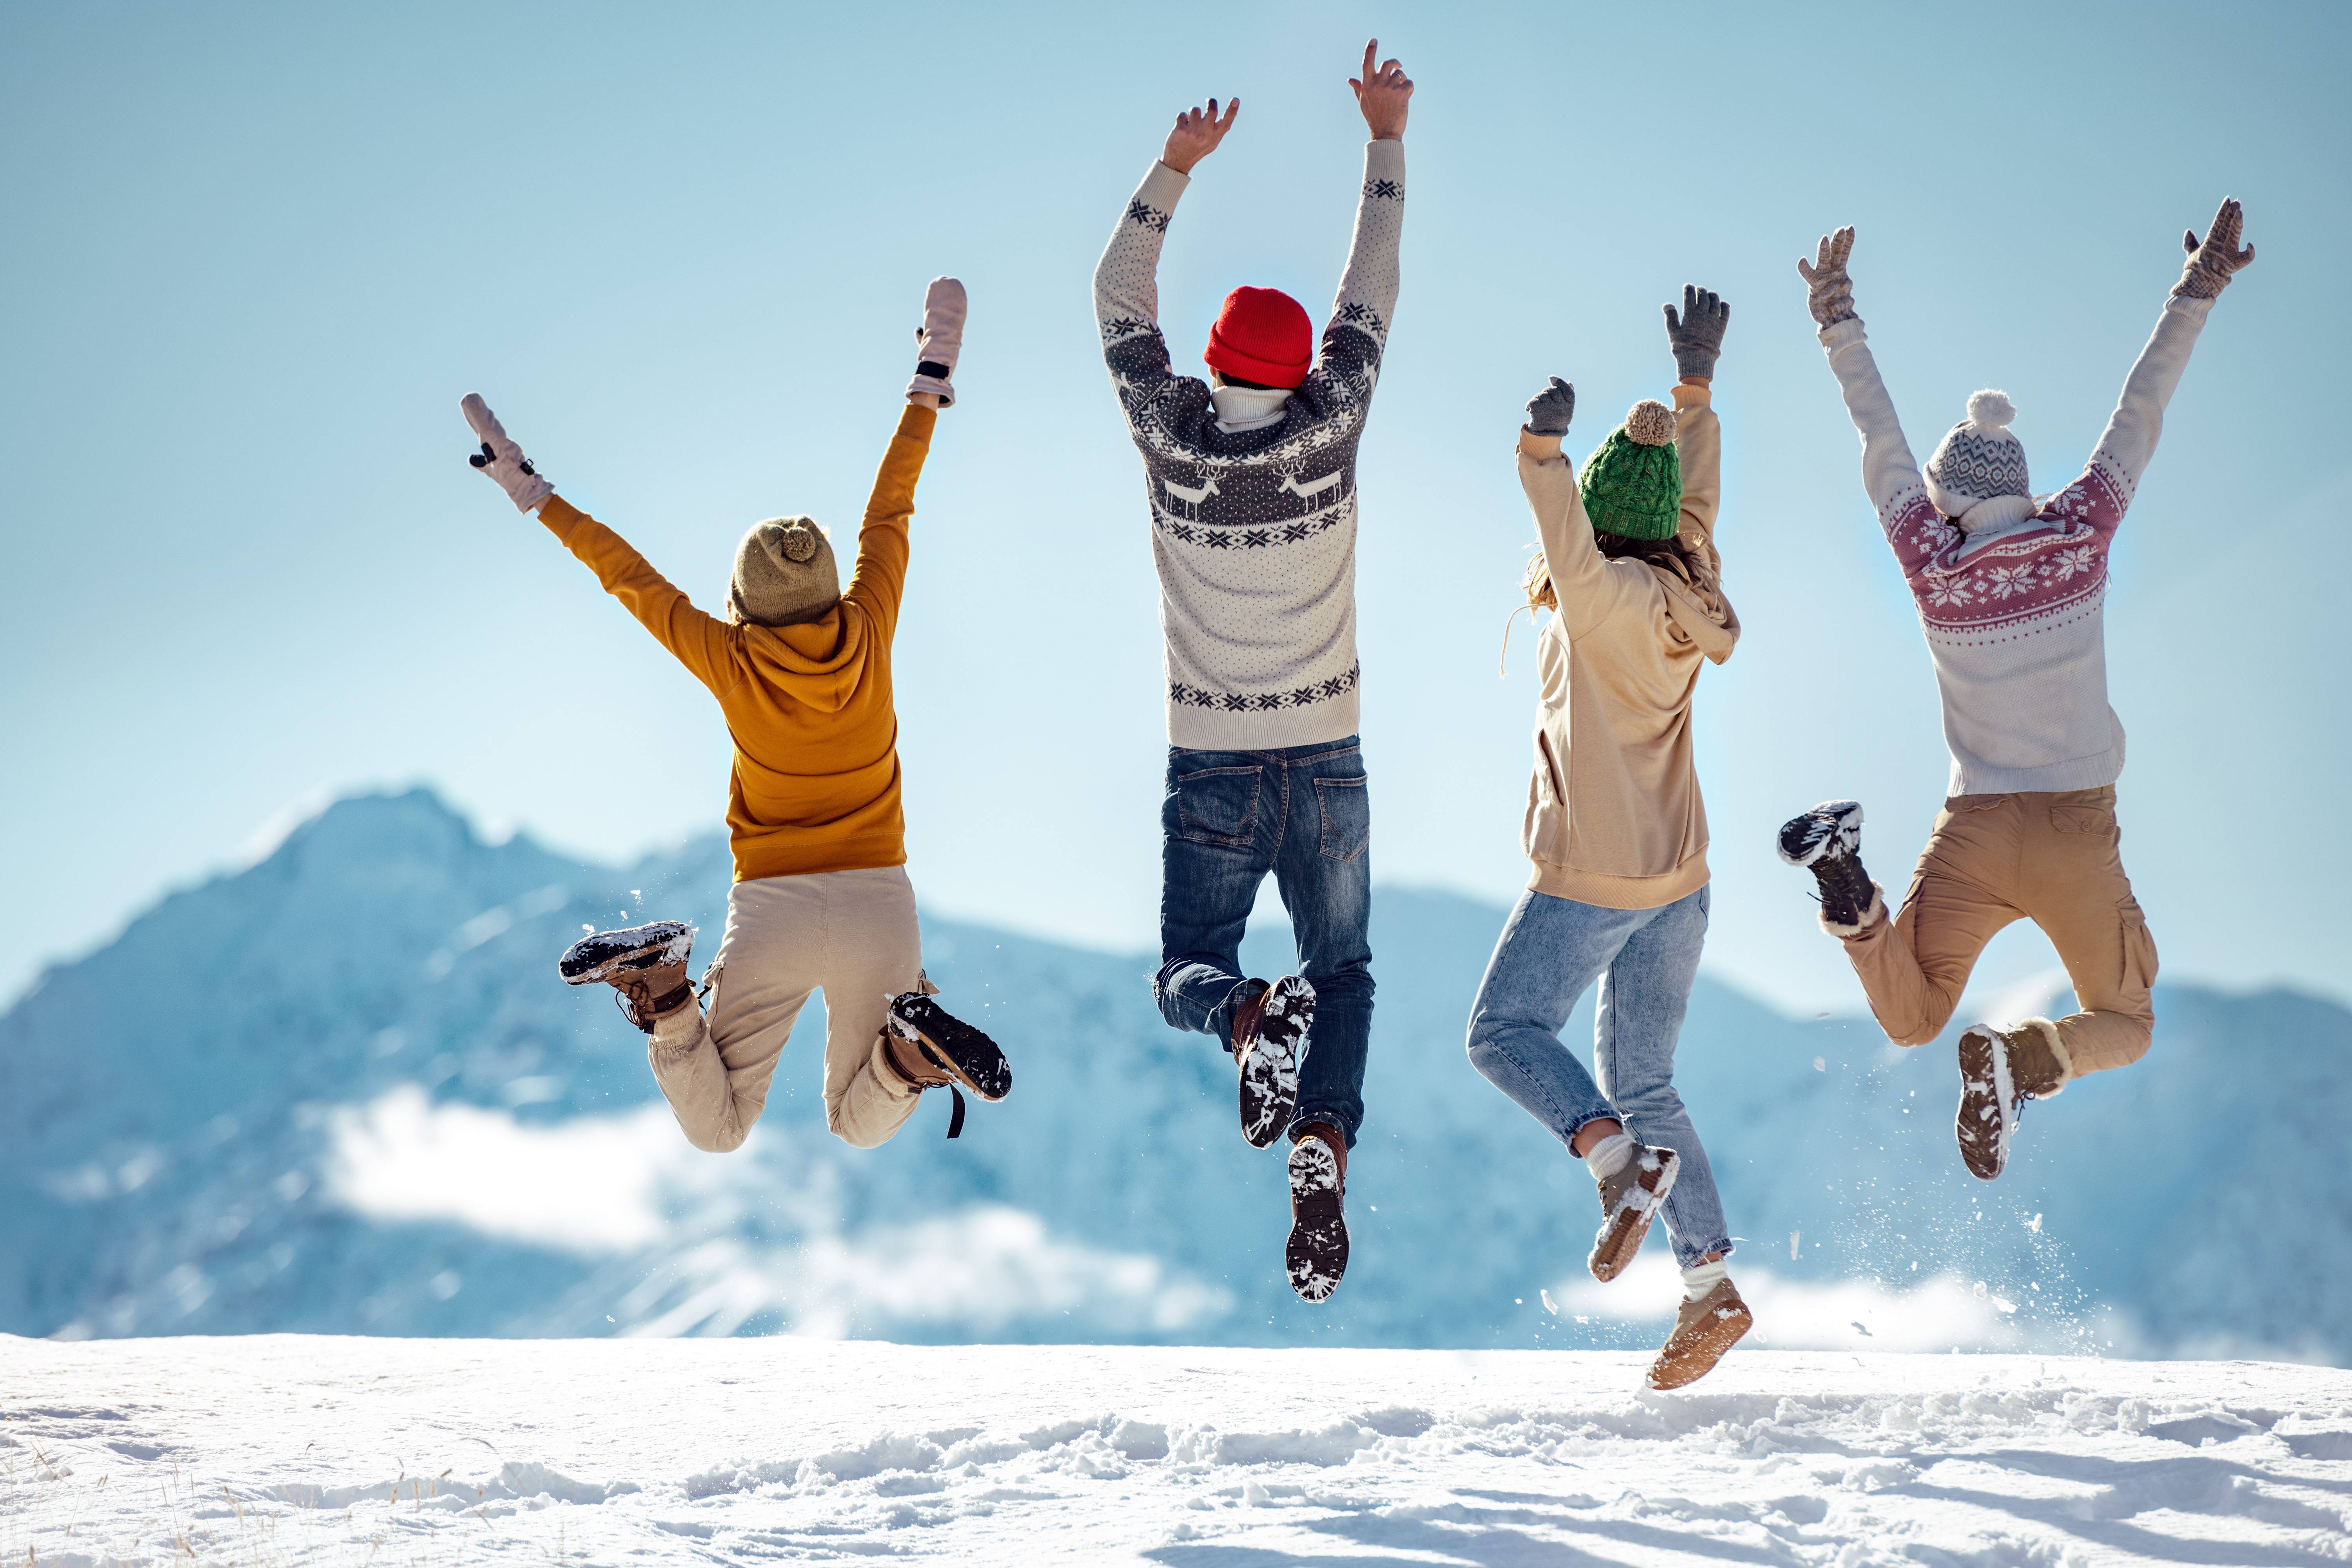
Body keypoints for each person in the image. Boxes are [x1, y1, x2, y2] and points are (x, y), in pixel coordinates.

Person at [459, 279, 1012, 1153]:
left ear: (746, 607)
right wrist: (929, 372)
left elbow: (632, 579)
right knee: (859, 1123)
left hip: (774, 908)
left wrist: (532, 490)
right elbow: (890, 505)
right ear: (831, 587)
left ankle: (667, 989)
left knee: (720, 1128)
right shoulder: (868, 622)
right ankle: (908, 1053)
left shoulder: (731, 656)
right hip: (879, 900)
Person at [1778, 201, 2256, 1180]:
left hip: (1979, 828)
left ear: (1950, 502)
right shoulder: (2078, 532)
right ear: (2025, 487)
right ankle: (2027, 1058)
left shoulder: (1932, 562)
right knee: (2125, 1018)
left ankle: (1844, 879)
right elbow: (2140, 416)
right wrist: (2195, 291)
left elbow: (1883, 445)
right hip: (2080, 827)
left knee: (1910, 1016)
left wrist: (1838, 318)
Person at [1091, 40, 1412, 1304]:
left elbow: (1118, 297)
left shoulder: (1169, 435)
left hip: (1210, 760)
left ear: (1213, 363)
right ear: (1296, 376)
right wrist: (1385, 140)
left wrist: (1175, 167)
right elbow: (1370, 292)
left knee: (1187, 966)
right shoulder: (1333, 426)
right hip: (1329, 756)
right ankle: (1323, 1141)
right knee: (1346, 979)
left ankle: (1238, 1019)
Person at [1464, 290, 1752, 1390]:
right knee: (1650, 1079)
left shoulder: (1594, 597)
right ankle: (1708, 1289)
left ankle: (1615, 1164)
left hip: (1593, 875)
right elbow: (1699, 504)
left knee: (1501, 1032)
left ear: (1594, 516)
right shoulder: (1693, 584)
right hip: (1682, 880)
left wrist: (1542, 448)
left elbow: (1559, 533)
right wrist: (1694, 388)